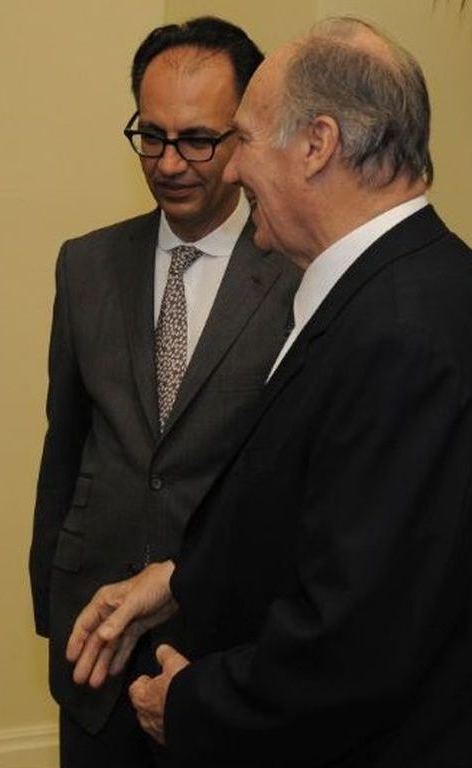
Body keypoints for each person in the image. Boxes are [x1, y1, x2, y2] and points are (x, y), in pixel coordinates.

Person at [67, 16, 472, 767]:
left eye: (242, 139)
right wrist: (183, 582)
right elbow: (319, 522)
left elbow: (358, 638)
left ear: (316, 145)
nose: (229, 170)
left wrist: (192, 705)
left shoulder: (399, 331)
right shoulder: (400, 289)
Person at [29, 16, 300, 768]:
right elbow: (67, 442)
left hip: (231, 650)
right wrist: (52, 599)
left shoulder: (297, 274)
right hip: (95, 648)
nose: (170, 162)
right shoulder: (85, 266)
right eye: (151, 136)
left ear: (245, 134)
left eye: (198, 140)